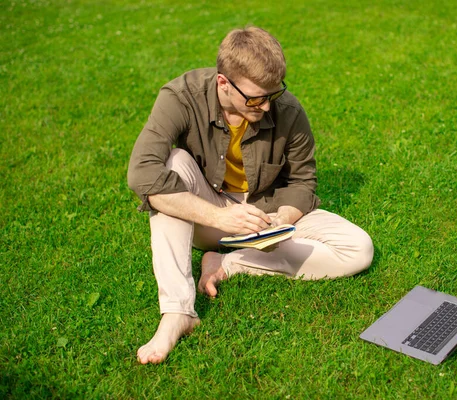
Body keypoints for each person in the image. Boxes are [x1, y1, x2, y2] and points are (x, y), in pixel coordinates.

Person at [127, 26, 374, 365]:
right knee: (174, 164)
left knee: (359, 249)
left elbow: (303, 182)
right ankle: (177, 311)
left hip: (265, 212)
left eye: (273, 95)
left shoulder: (287, 110)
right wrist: (219, 217)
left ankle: (229, 263)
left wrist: (280, 221)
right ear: (223, 83)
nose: (267, 107)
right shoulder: (181, 96)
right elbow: (141, 173)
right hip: (207, 212)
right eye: (257, 98)